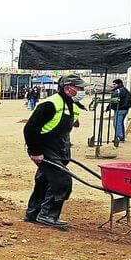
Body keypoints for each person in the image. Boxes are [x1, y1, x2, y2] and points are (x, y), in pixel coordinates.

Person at [23, 74, 87, 229]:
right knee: (62, 181)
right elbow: (30, 129)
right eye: (79, 88)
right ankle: (47, 215)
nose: (82, 91)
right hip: (44, 147)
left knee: (44, 181)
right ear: (67, 89)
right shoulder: (50, 104)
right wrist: (35, 151)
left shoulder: (71, 103)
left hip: (58, 148)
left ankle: (34, 213)